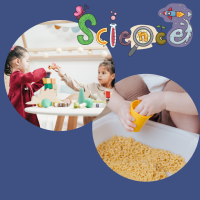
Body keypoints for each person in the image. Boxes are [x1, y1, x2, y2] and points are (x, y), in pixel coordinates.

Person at [107, 75, 200, 134]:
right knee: (123, 81)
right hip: (140, 120)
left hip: (177, 124)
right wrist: (119, 105)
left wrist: (165, 100)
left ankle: (188, 140)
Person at [54, 55, 115, 125]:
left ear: (113, 76)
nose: (100, 75)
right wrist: (62, 75)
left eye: (103, 73)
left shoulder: (116, 91)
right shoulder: (92, 87)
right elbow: (76, 85)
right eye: (99, 72)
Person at [5, 46, 50, 127]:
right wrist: (43, 71)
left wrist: (42, 80)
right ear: (18, 61)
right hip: (19, 111)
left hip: (28, 111)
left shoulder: (21, 78)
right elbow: (31, 77)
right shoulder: (15, 76)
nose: (28, 64)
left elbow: (30, 89)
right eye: (27, 61)